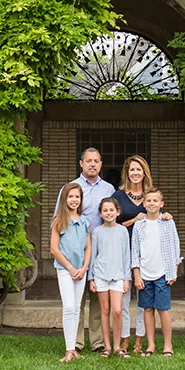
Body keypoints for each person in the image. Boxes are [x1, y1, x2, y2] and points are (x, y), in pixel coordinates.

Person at [62, 148, 116, 352]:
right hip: (76, 250)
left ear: (101, 164)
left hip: (101, 250)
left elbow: (114, 217)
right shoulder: (71, 188)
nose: (92, 164)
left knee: (97, 297)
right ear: (81, 163)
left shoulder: (109, 189)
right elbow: (59, 218)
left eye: (96, 161)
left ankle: (97, 342)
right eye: (88, 161)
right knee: (75, 300)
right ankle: (75, 342)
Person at [130, 188, 181, 356]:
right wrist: (137, 274)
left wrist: (174, 270)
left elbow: (175, 246)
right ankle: (150, 345)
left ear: (161, 204)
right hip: (145, 274)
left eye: (155, 200)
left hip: (163, 273)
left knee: (163, 309)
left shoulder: (168, 222)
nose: (152, 203)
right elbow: (135, 251)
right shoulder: (139, 225)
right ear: (144, 204)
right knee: (147, 309)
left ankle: (168, 345)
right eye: (148, 201)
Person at [49, 182, 91, 363]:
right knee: (68, 307)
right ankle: (68, 349)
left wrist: (84, 267)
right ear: (64, 199)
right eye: (71, 196)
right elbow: (54, 249)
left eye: (77, 197)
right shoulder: (59, 221)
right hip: (65, 269)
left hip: (81, 270)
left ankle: (73, 348)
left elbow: (88, 247)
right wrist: (71, 268)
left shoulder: (84, 221)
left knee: (77, 307)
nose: (74, 200)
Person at [89, 196, 132, 358]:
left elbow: (126, 255)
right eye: (105, 210)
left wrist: (127, 278)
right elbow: (93, 256)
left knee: (117, 310)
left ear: (118, 212)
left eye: (111, 210)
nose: (109, 213)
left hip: (118, 276)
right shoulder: (97, 232)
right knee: (104, 310)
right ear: (100, 213)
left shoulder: (122, 231)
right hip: (100, 275)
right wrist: (91, 278)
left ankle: (117, 346)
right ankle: (107, 346)